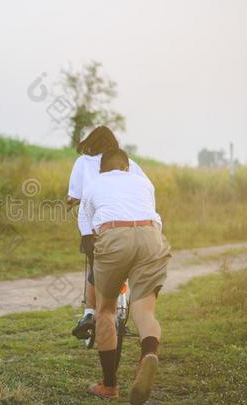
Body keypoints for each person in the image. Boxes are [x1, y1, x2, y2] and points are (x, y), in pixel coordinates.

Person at [81, 148, 171, 404]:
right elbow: (150, 213)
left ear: (103, 168)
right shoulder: (144, 182)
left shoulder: (95, 183)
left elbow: (90, 229)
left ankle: (109, 385)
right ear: (127, 167)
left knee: (106, 310)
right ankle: (149, 353)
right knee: (145, 312)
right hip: (151, 235)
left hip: (114, 236)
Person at [66, 126, 149, 339]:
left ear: (90, 142)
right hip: (133, 226)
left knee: (94, 266)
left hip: (97, 226)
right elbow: (146, 189)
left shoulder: (83, 163)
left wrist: (71, 202)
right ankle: (127, 312)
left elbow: (75, 196)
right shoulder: (132, 164)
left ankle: (89, 313)